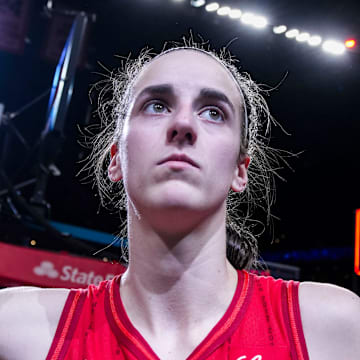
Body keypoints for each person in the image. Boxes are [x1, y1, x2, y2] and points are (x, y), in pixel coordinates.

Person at [1, 41, 360, 360]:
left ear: (240, 169)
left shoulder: (332, 328)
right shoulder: (18, 333)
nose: (183, 124)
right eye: (157, 105)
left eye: (213, 112)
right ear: (115, 159)